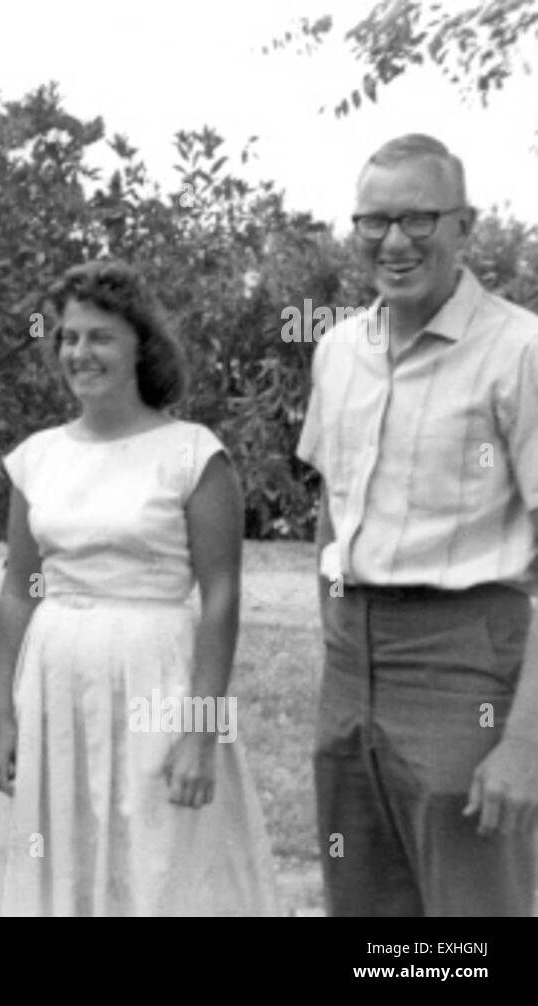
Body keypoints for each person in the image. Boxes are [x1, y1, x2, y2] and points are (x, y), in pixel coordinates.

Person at [0, 260, 277, 916]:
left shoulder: (193, 454)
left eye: (99, 337)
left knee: (158, 862)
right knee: (64, 859)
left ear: (140, 347)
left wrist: (202, 731)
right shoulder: (37, 457)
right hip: (55, 679)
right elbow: (18, 587)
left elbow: (222, 595)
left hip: (158, 682)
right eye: (68, 337)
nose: (79, 353)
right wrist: (2, 710)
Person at [297, 134, 538, 917]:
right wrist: (338, 635)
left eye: (418, 219)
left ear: (464, 226)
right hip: (353, 662)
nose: (394, 242)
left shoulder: (520, 352)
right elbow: (332, 513)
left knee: (470, 922)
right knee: (368, 912)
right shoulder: (337, 351)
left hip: (466, 661)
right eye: (374, 221)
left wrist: (526, 744)